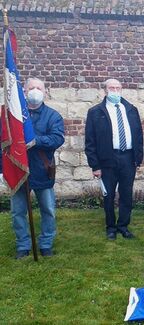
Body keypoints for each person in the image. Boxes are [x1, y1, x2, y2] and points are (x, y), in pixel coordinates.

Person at [11, 78, 65, 259]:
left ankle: (46, 243)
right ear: (24, 91)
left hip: (42, 169)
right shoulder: (14, 115)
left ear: (45, 91)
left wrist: (37, 141)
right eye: (31, 88)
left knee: (48, 209)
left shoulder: (53, 115)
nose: (35, 91)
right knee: (18, 211)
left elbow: (57, 139)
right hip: (18, 170)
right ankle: (23, 245)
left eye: (39, 88)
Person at [85, 79, 144, 240]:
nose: (115, 91)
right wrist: (95, 165)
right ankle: (110, 227)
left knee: (126, 194)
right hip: (107, 159)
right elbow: (90, 142)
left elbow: (138, 136)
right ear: (105, 90)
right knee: (108, 195)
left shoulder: (131, 110)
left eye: (118, 88)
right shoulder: (96, 112)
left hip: (127, 157)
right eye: (112, 88)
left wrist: (138, 159)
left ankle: (123, 226)